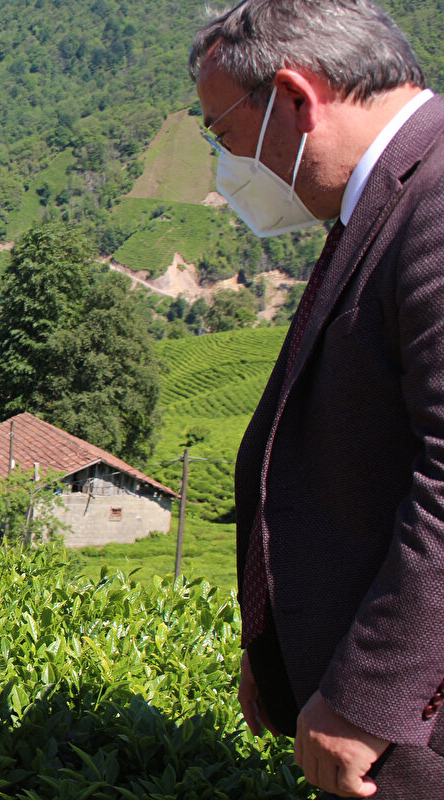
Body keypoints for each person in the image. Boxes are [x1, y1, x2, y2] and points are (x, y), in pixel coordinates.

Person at [190, 1, 444, 797]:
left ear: (298, 100)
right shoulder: (388, 200)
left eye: (224, 134)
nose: (226, 164)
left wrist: (370, 697)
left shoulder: (436, 207)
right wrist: (277, 641)